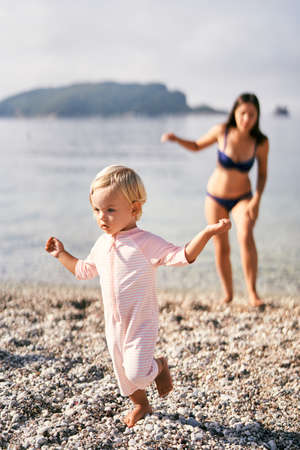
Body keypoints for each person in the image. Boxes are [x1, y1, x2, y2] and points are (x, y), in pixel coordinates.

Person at [45, 165, 231, 428]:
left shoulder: (145, 243)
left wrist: (208, 233)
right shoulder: (102, 243)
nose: (102, 217)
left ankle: (160, 366)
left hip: (141, 323)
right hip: (114, 326)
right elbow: (84, 270)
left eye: (110, 210)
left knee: (137, 372)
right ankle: (141, 404)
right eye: (97, 210)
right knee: (124, 376)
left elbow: (183, 255)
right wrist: (61, 254)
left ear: (133, 209)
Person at [161, 93, 269, 307]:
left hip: (243, 198)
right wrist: (176, 139)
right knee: (221, 245)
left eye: (251, 114)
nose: (247, 118)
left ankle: (252, 293)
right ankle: (228, 294)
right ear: (235, 113)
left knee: (246, 235)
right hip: (216, 198)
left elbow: (263, 173)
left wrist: (257, 199)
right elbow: (197, 145)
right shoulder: (223, 131)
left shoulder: (260, 142)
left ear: (257, 116)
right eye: (242, 113)